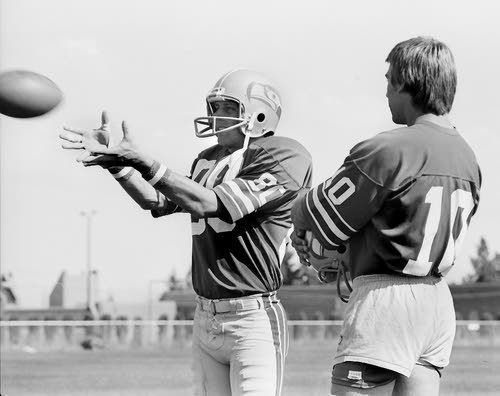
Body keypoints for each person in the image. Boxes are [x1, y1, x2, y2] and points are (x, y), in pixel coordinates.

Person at [60, 69, 312, 396]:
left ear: (257, 113)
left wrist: (146, 162)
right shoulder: (208, 159)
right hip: (205, 313)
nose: (215, 116)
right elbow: (157, 200)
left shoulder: (283, 153)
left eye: (227, 108)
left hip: (253, 318)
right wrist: (118, 165)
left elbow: (210, 203)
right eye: (214, 107)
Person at [290, 37, 481, 395]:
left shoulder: (389, 149)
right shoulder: (467, 157)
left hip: (387, 301)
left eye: (389, 80)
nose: (386, 92)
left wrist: (301, 222)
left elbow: (317, 214)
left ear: (405, 82)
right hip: (436, 301)